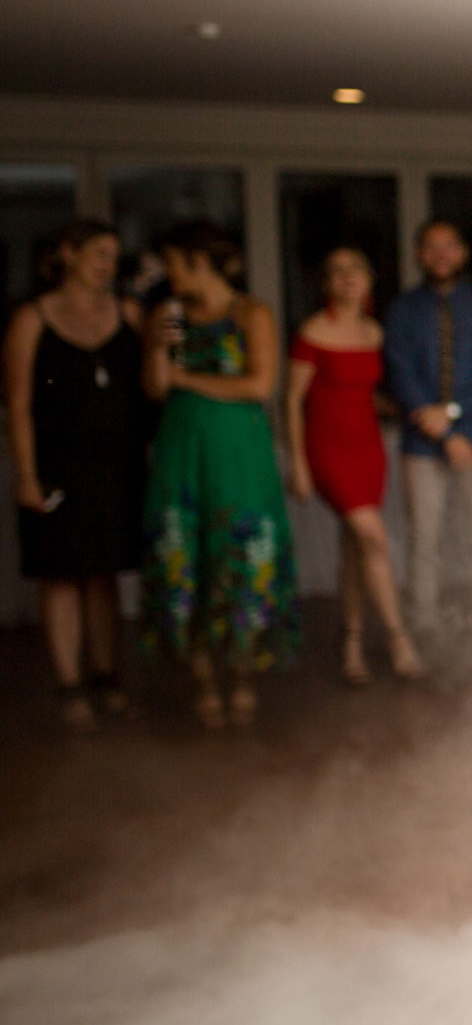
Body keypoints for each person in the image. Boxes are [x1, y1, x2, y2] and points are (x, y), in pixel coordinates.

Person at [140, 221, 298, 728]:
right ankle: (204, 679)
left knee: (240, 551)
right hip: (181, 444)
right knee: (184, 554)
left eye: (173, 261)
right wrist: (155, 349)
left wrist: (186, 377)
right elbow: (156, 388)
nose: (167, 272)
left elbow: (258, 385)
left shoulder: (252, 313)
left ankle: (243, 677)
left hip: (237, 449)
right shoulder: (168, 314)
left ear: (199, 261)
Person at [4, 220, 148, 731]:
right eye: (98, 254)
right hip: (57, 465)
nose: (107, 265)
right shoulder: (32, 317)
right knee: (60, 573)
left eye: (113, 255)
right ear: (68, 253)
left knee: (103, 573)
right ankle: (68, 683)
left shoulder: (130, 311)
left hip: (118, 465)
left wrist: (163, 303)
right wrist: (27, 475)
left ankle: (106, 674)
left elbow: (169, 348)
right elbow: (18, 403)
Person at [285, 247, 424, 685]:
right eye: (338, 270)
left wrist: (394, 406)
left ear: (368, 280)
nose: (348, 276)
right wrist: (299, 464)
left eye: (356, 269)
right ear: (325, 283)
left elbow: (362, 391)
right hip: (327, 448)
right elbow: (290, 400)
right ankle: (399, 639)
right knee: (374, 538)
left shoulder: (374, 332)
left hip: (367, 445)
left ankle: (350, 644)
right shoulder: (313, 330)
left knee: (355, 548)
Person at [382, 220, 472, 629]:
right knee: (424, 538)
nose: (441, 254)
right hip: (422, 442)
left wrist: (453, 417)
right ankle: (423, 625)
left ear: (463, 251)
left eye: (449, 246)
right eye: (431, 247)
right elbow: (400, 375)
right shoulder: (402, 310)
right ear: (419, 255)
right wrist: (441, 430)